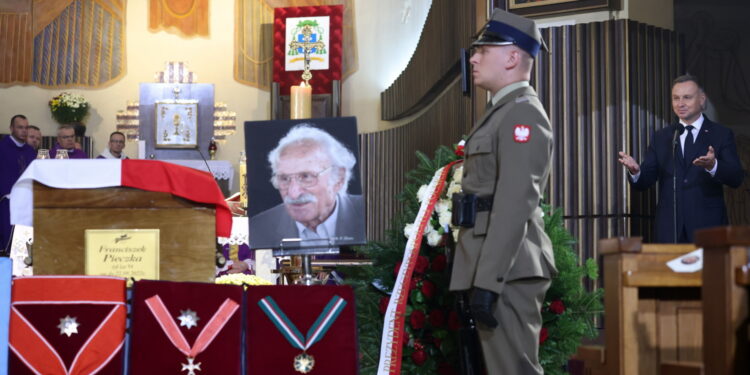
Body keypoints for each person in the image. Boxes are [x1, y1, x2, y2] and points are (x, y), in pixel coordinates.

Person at [448, 9, 557, 375]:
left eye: (483, 50)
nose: (473, 58)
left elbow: (514, 203)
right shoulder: (501, 111)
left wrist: (488, 282)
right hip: (492, 267)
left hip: (507, 270)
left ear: (512, 57)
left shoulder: (522, 114)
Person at [618, 75, 744, 243]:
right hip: (670, 229)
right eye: (676, 98)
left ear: (701, 99)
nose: (680, 103)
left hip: (708, 227)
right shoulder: (662, 137)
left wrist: (713, 165)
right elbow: (645, 180)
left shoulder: (720, 134)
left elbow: (736, 177)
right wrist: (636, 171)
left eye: (687, 97)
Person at [249, 124, 365, 249]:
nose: (293, 193)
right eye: (284, 178)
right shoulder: (260, 227)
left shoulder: (369, 214)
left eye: (306, 177)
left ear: (338, 179)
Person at [1, 115, 37, 249]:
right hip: (7, 201)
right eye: (20, 127)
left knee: (25, 243)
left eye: (26, 127)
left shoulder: (30, 151)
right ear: (11, 128)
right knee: (8, 241)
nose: (23, 131)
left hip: (27, 201)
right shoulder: (2, 147)